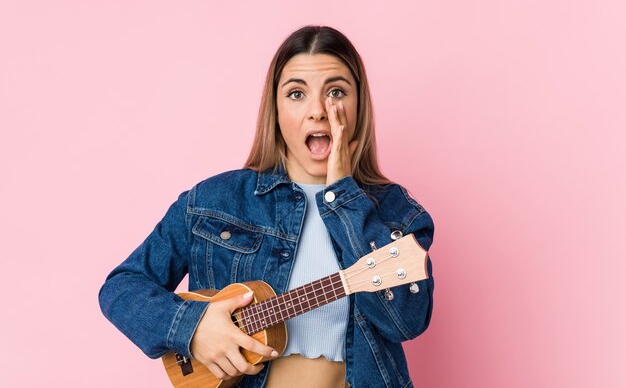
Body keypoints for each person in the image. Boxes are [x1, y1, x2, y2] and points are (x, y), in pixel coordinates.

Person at [99, 25, 435, 388]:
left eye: (336, 92)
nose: (319, 111)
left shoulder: (396, 212)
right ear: (275, 109)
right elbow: (121, 288)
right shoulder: (214, 201)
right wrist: (192, 327)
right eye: (296, 94)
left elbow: (404, 321)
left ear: (359, 106)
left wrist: (343, 194)